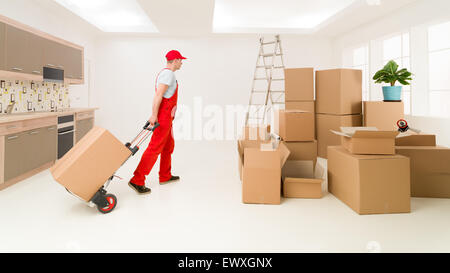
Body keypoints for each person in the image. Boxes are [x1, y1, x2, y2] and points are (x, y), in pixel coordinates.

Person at [128, 50, 187, 194]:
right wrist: (154, 115)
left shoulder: (169, 74)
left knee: (168, 146)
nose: (182, 62)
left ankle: (165, 176)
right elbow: (158, 95)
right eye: (180, 60)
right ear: (175, 60)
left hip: (168, 118)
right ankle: (137, 180)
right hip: (163, 117)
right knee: (155, 147)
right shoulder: (168, 74)